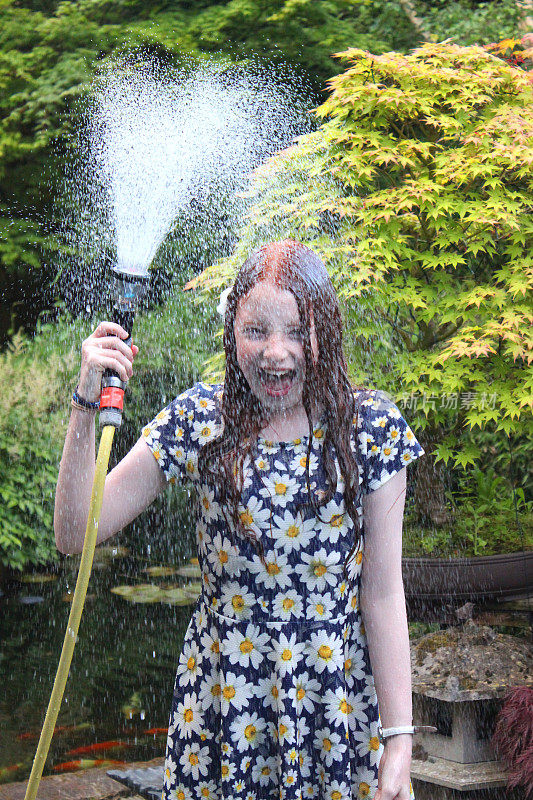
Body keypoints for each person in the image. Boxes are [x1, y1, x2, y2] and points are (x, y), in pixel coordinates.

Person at [55, 239, 425, 800]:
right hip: (225, 708)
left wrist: (399, 740)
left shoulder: (370, 428)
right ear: (232, 334)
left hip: (336, 704)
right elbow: (73, 533)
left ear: (327, 328)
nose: (276, 352)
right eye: (256, 331)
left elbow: (383, 594)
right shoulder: (202, 419)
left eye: (299, 331)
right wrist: (87, 401)